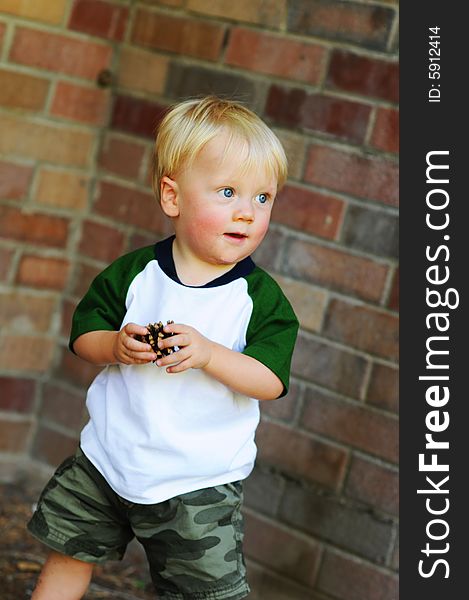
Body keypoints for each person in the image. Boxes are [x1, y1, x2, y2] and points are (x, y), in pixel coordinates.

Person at [28, 96, 299, 600]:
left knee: (204, 593)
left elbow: (270, 380)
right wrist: (116, 345)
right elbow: (84, 335)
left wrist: (211, 354)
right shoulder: (135, 274)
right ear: (172, 197)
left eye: (263, 198)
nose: (247, 211)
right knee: (68, 554)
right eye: (227, 191)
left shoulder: (259, 300)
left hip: (197, 482)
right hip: (107, 459)